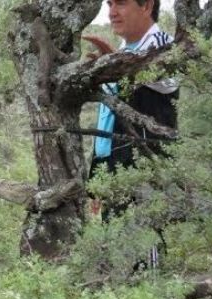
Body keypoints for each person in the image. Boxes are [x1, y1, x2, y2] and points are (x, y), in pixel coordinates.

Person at [86, 0, 179, 267]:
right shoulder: (128, 50)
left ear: (147, 5)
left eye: (121, 3)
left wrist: (117, 64)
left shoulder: (163, 45)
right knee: (116, 259)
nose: (112, 12)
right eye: (109, 3)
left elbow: (163, 78)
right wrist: (98, 178)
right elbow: (107, 122)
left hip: (142, 176)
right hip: (114, 173)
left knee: (143, 258)